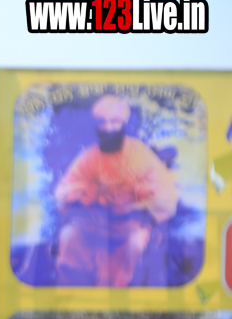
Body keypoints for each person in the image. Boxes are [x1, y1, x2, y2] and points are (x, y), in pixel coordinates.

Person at [54, 94, 179, 287]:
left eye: (114, 122)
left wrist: (135, 203)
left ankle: (127, 293)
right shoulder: (89, 157)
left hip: (130, 228)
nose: (108, 128)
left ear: (123, 124)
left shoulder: (140, 153)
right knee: (68, 236)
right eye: (102, 123)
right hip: (94, 227)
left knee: (135, 245)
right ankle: (74, 294)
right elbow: (63, 192)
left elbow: (165, 195)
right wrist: (93, 195)